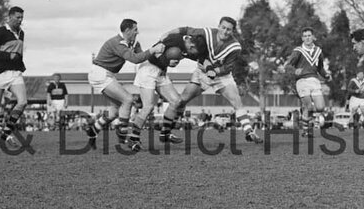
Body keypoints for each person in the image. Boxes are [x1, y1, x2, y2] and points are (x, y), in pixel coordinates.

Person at [170, 17, 263, 143]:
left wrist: (214, 71)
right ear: (218, 26)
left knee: (236, 101)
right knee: (182, 100)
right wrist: (167, 34)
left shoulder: (235, 47)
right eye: (223, 27)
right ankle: (169, 129)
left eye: (229, 30)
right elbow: (186, 30)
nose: (225, 31)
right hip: (202, 73)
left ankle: (248, 131)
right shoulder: (207, 33)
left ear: (233, 31)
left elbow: (228, 67)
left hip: (222, 77)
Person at [88, 19, 165, 147]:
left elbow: (141, 57)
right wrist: (153, 50)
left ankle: (93, 130)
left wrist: (158, 57)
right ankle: (123, 134)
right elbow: (135, 59)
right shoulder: (117, 43)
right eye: (135, 29)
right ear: (128, 30)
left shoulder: (133, 43)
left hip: (107, 74)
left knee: (115, 110)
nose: (137, 32)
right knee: (128, 99)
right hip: (100, 74)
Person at [125, 29, 193, 151]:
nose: (192, 47)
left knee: (176, 101)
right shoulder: (175, 39)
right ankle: (133, 137)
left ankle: (165, 134)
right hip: (148, 69)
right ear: (187, 38)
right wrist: (166, 61)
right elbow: (157, 49)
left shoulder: (190, 49)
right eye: (191, 43)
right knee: (148, 106)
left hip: (160, 72)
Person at [0, 5, 28, 147]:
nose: (20, 20)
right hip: (0, 73)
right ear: (10, 17)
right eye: (17, 17)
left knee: (22, 102)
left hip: (15, 73)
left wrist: (19, 64)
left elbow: (17, 54)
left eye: (22, 18)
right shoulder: (1, 31)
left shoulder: (21, 33)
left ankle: (6, 133)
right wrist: (8, 56)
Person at [284, 28, 331, 137]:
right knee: (309, 107)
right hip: (302, 81)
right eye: (305, 36)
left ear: (313, 37)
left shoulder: (318, 51)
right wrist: (294, 71)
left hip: (314, 80)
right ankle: (307, 129)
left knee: (320, 107)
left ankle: (305, 121)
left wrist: (326, 75)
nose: (307, 38)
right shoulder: (298, 51)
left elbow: (320, 68)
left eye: (309, 35)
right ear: (302, 38)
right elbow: (288, 66)